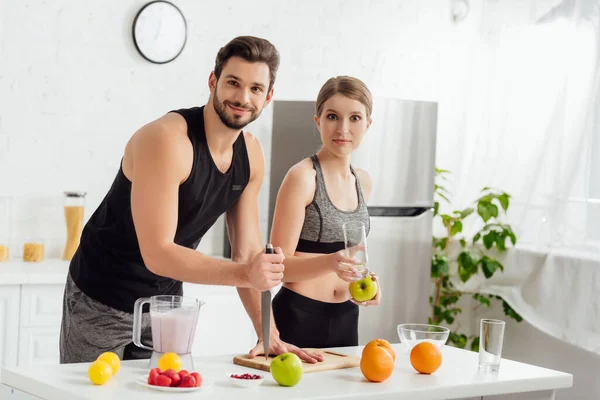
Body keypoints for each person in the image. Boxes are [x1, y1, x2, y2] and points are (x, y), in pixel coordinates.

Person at [59, 36, 318, 364]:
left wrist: (269, 334)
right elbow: (158, 252)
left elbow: (248, 253)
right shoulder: (166, 140)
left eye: (255, 88)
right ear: (213, 81)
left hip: (166, 304)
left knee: (163, 390)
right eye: (233, 83)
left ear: (268, 97)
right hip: (101, 296)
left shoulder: (251, 155)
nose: (242, 97)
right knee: (89, 394)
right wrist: (244, 273)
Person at [251, 76, 381, 353]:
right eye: (333, 116)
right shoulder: (303, 177)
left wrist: (366, 278)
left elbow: (348, 255)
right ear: (318, 120)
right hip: (298, 317)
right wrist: (330, 264)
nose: (343, 129)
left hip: (348, 316)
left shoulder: (364, 182)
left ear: (368, 124)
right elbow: (279, 265)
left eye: (355, 118)